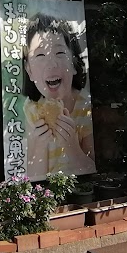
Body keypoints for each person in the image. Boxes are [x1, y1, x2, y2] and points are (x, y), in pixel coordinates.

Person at [22, 13, 95, 179]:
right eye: (40, 55)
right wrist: (39, 145)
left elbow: (94, 171)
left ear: (74, 63)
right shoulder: (32, 110)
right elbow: (32, 177)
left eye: (60, 53)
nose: (51, 64)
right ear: (29, 70)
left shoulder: (85, 107)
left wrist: (71, 146)